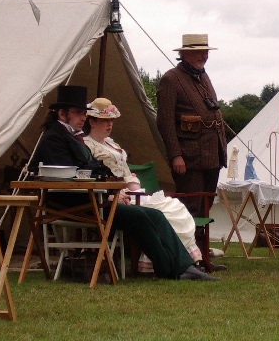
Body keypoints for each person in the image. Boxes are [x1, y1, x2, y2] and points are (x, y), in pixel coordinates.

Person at [29, 85, 218, 281]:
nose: (83, 117)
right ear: (62, 113)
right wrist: (109, 193)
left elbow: (97, 168)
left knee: (154, 214)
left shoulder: (73, 137)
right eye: (78, 112)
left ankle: (183, 267)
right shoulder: (54, 139)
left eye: (84, 113)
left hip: (92, 200)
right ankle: (172, 269)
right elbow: (69, 175)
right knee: (140, 216)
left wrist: (113, 189)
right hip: (75, 203)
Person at [81, 97, 203, 272]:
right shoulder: (87, 145)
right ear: (92, 122)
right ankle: (173, 263)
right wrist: (116, 192)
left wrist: (136, 190)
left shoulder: (111, 143)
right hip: (110, 196)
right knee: (161, 212)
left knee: (174, 206)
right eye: (105, 120)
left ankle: (185, 261)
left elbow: (126, 173)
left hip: (127, 192)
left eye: (111, 120)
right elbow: (95, 176)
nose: (109, 125)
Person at [156, 34, 227, 270]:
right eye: (198, 52)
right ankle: (189, 260)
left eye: (205, 52)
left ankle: (203, 257)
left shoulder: (202, 76)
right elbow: (165, 122)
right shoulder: (171, 79)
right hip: (189, 157)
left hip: (212, 155)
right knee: (190, 209)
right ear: (184, 53)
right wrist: (175, 155)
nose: (203, 56)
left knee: (205, 208)